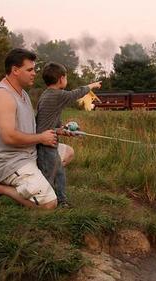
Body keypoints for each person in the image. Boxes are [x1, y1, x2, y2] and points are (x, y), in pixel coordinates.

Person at [0, 48, 58, 209]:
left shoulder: (22, 94)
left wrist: (58, 131)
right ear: (15, 70)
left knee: (67, 153)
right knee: (49, 204)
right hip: (10, 162)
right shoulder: (3, 96)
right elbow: (9, 137)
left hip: (29, 155)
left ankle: (33, 185)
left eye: (34, 69)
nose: (34, 73)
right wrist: (41, 138)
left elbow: (30, 128)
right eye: (29, 69)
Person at [36, 62, 101, 208]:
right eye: (66, 78)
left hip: (49, 142)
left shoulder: (47, 94)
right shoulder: (57, 95)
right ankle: (42, 201)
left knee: (59, 173)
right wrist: (92, 86)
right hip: (45, 145)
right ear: (61, 79)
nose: (67, 80)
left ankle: (62, 201)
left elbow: (50, 119)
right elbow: (75, 94)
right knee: (48, 175)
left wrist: (62, 129)